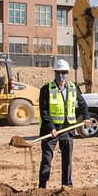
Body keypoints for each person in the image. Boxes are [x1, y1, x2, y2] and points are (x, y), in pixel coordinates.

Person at [38, 59, 91, 189]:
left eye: (64, 72)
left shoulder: (73, 87)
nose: (61, 75)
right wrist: (51, 128)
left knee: (67, 160)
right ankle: (42, 186)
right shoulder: (46, 89)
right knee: (46, 159)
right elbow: (44, 111)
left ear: (68, 73)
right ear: (55, 73)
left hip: (68, 129)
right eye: (58, 72)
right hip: (50, 131)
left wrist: (86, 117)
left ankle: (66, 185)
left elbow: (82, 104)